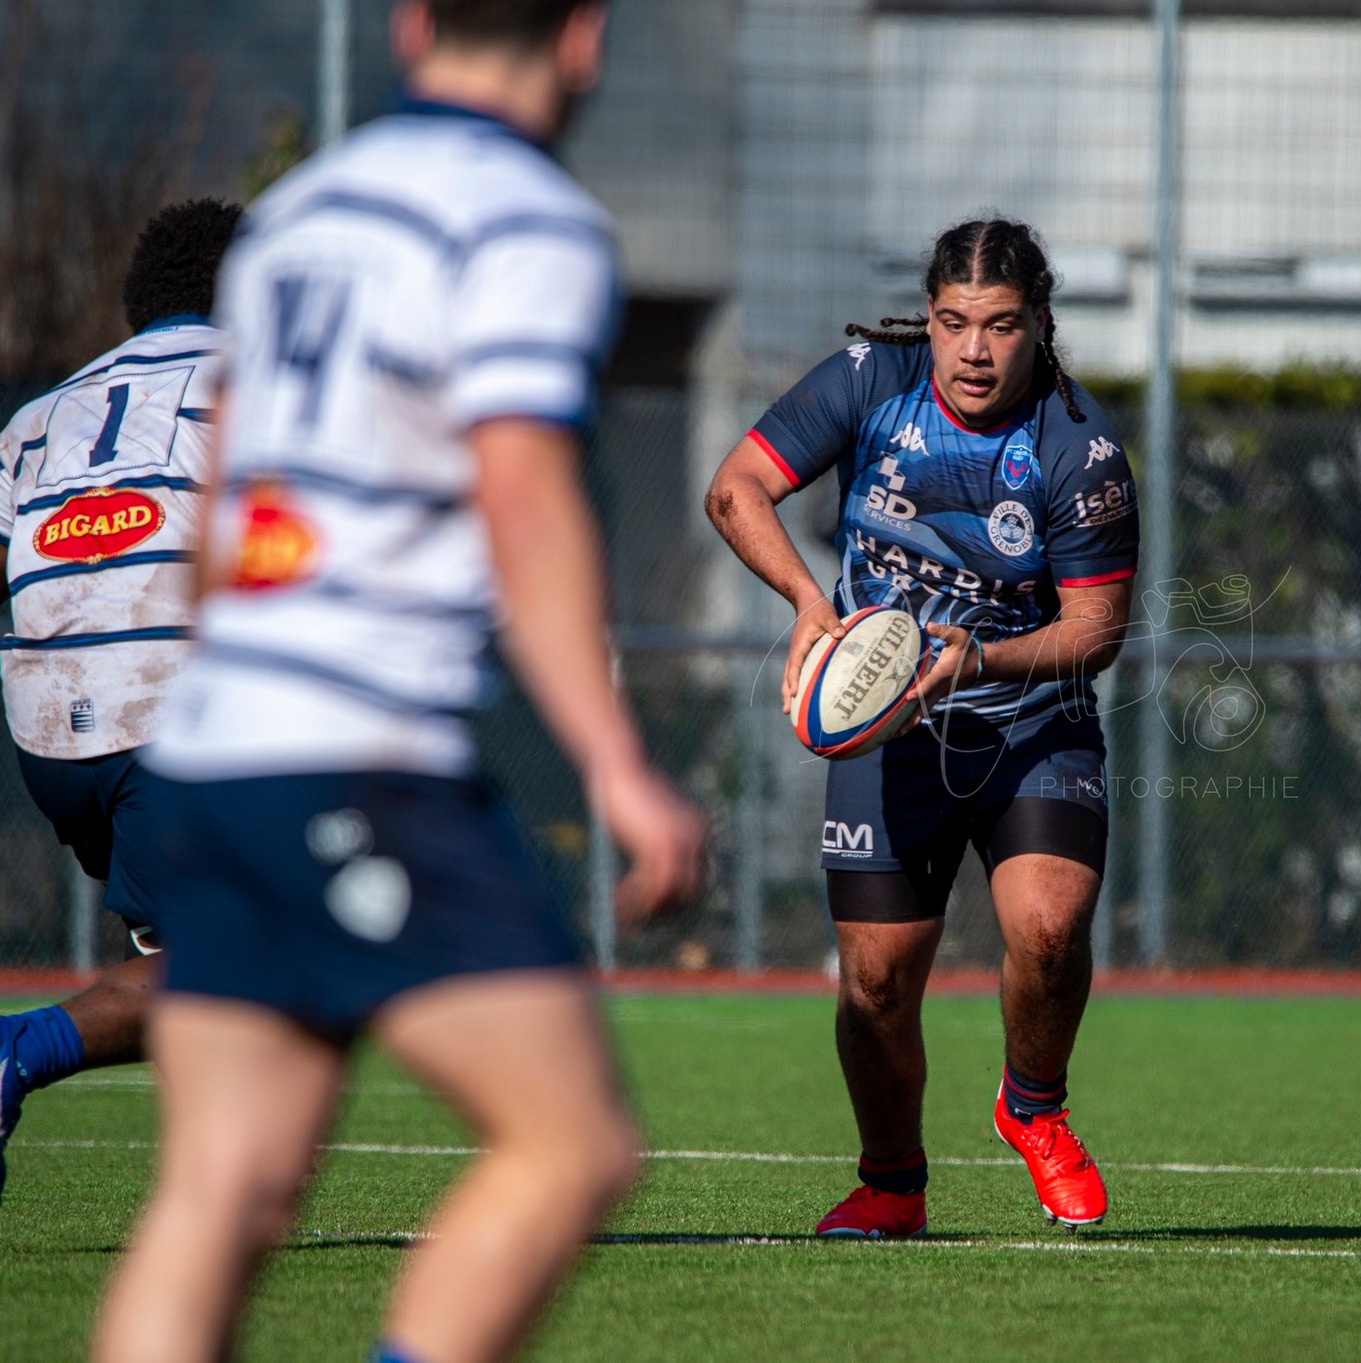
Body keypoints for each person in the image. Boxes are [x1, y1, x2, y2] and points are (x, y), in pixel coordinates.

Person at [91, 3, 705, 1361]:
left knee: (222, 1187)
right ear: (587, 39)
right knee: (571, 1143)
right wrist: (616, 761)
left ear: (413, 27)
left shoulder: (298, 215)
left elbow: (227, 496)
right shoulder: (525, 219)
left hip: (210, 749)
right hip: (357, 750)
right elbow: (524, 495)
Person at [705, 217, 1139, 1237]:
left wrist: (974, 662)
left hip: (1030, 725)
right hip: (892, 733)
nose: (973, 351)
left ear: (1038, 325)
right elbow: (737, 489)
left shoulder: (1079, 453)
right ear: (927, 319)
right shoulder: (869, 381)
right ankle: (892, 1183)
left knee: (1046, 925)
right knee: (874, 981)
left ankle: (1031, 1105)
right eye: (952, 324)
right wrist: (812, 609)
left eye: (997, 326)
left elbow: (1097, 630)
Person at [0, 198, 241, 1203]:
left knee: (181, 949)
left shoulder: (35, 418)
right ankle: (18, 1049)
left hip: (44, 728)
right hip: (166, 709)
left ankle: (220, 1145)